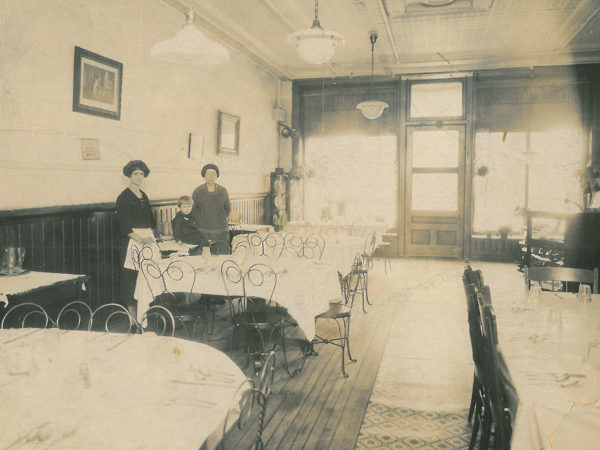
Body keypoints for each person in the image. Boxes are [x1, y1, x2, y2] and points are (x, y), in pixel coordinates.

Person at [116, 160, 155, 317]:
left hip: (146, 242)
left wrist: (150, 238)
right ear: (129, 176)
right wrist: (141, 239)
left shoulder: (143, 196)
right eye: (135, 174)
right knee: (131, 281)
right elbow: (125, 227)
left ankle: (145, 315)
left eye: (141, 174)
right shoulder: (124, 197)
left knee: (147, 278)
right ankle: (134, 320)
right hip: (131, 243)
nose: (139, 177)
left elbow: (150, 222)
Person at [192, 163, 231, 254]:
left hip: (220, 230)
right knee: (204, 256)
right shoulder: (198, 191)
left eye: (213, 173)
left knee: (221, 254)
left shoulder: (223, 191)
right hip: (203, 230)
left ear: (217, 175)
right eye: (208, 173)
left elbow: (227, 208)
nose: (211, 176)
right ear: (204, 175)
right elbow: (193, 210)